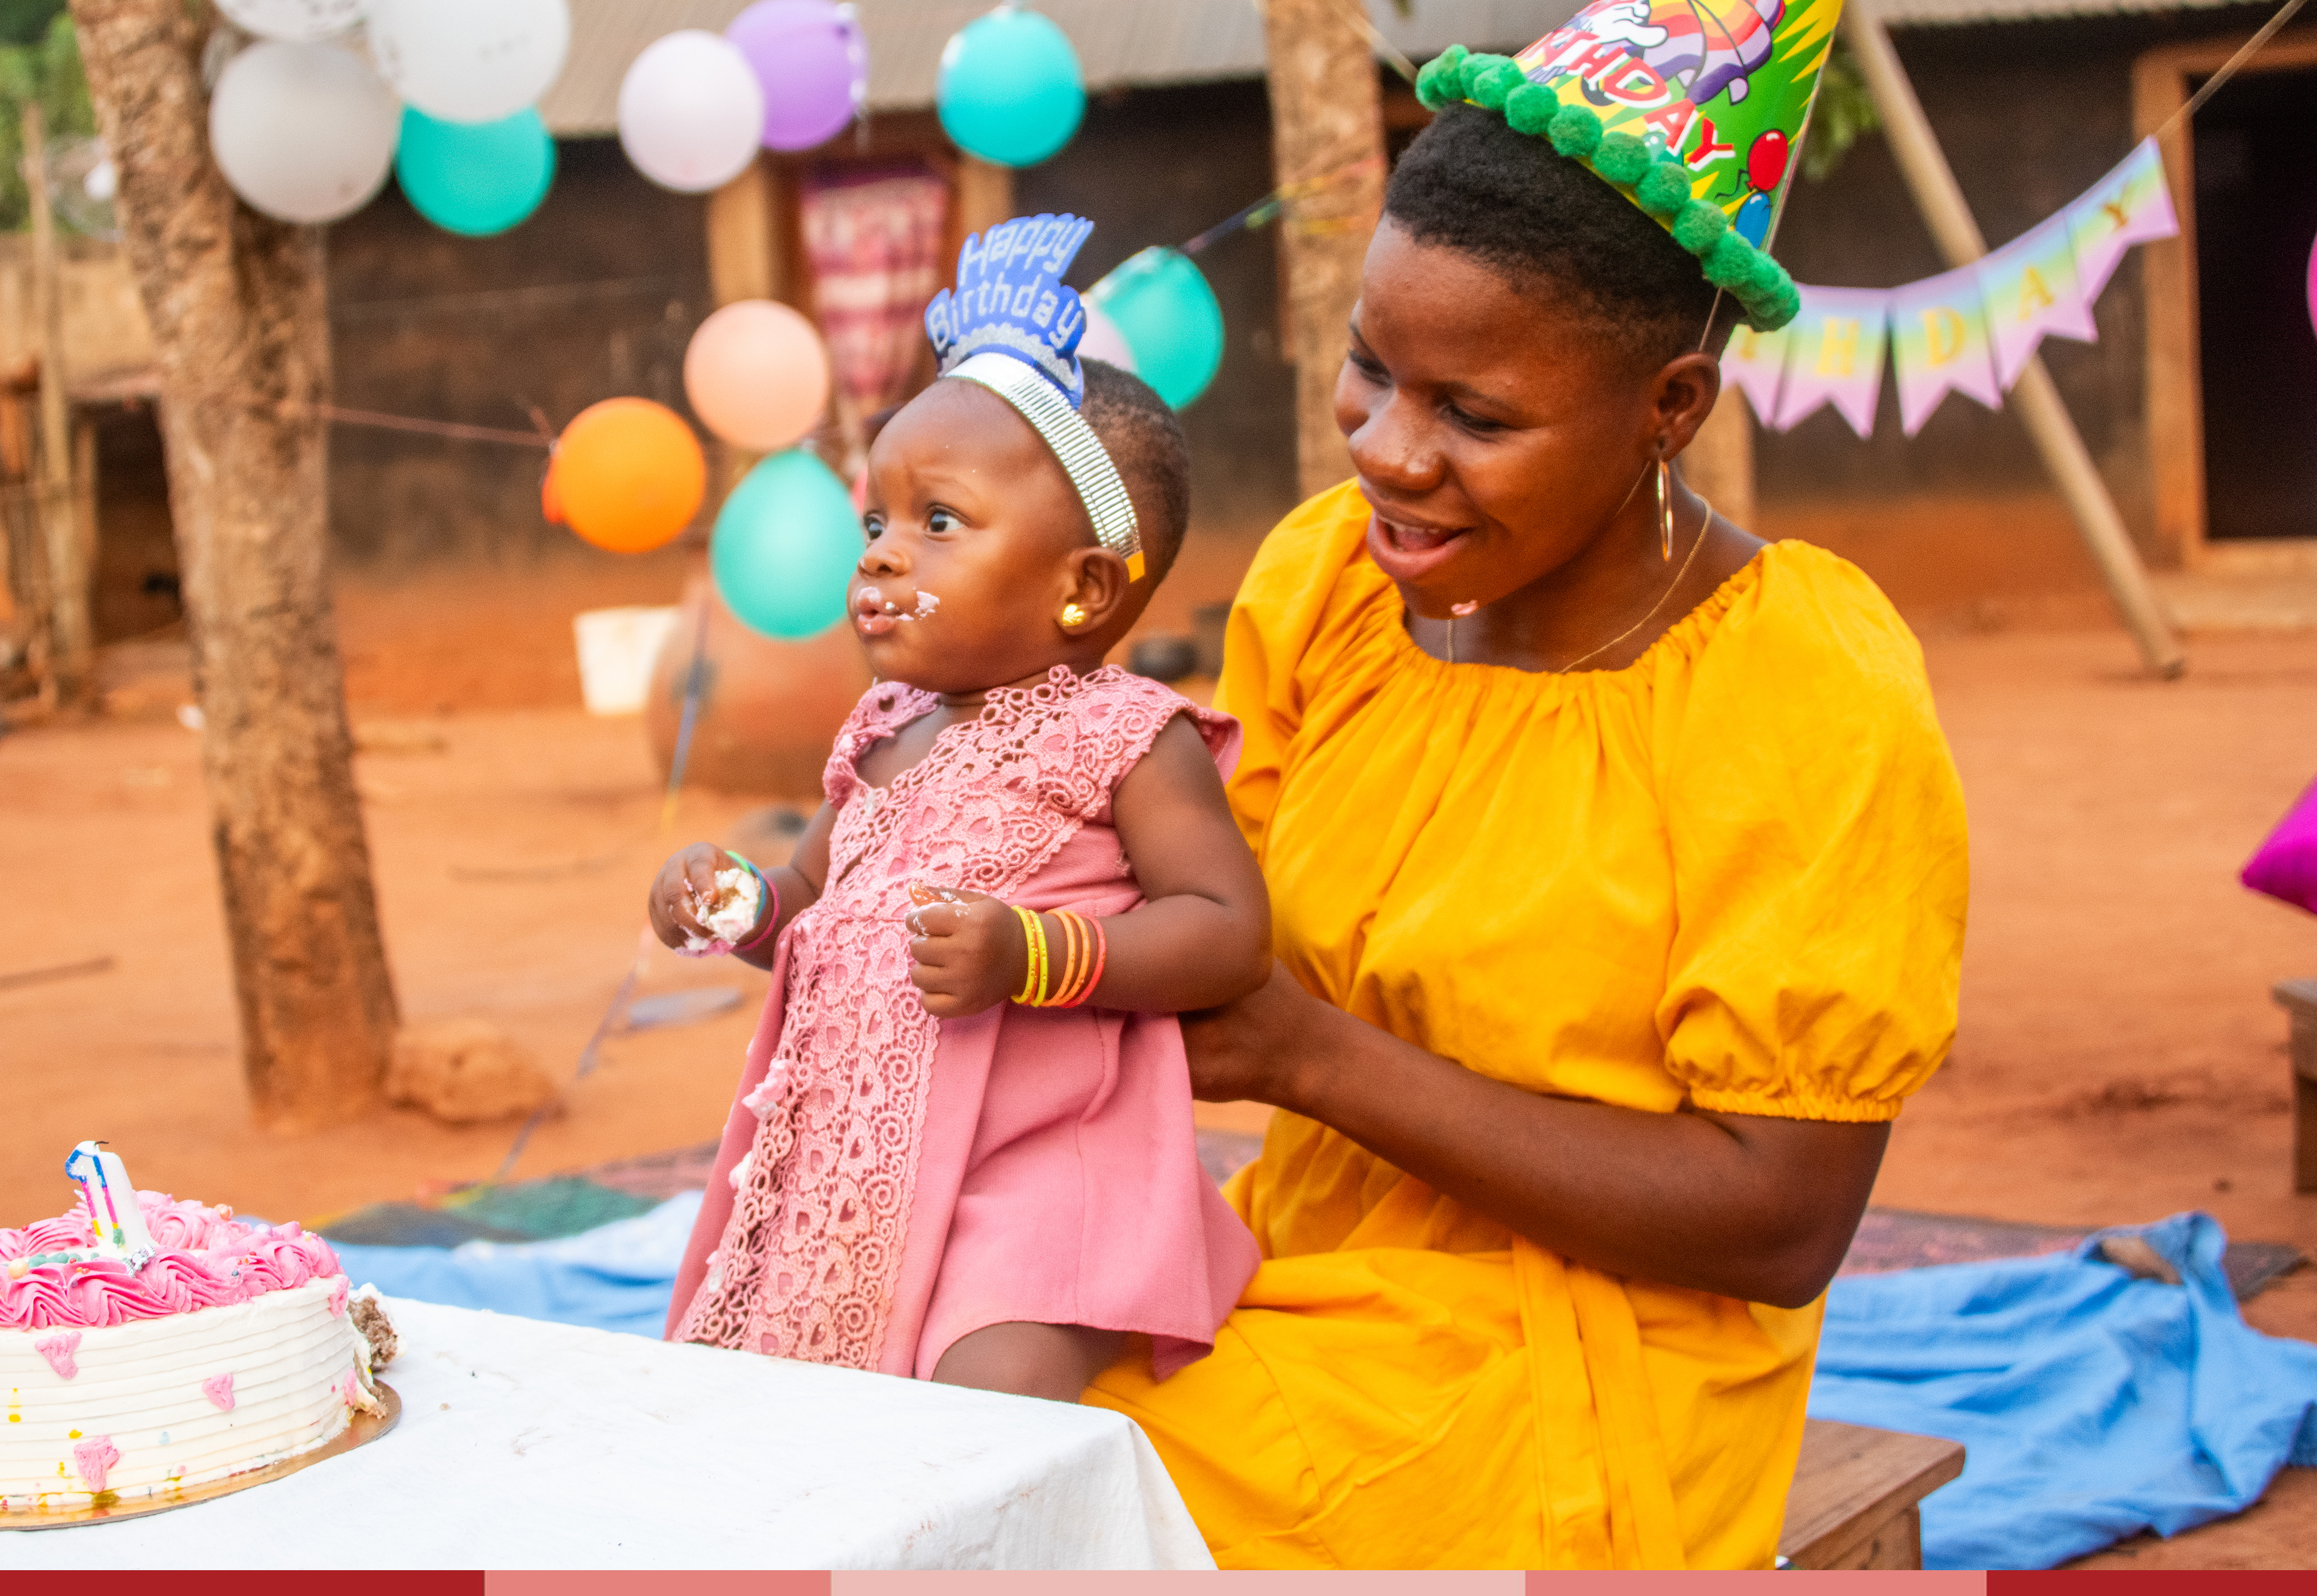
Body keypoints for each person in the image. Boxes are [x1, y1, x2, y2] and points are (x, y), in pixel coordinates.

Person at [1081, 25, 1972, 1571]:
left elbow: (1779, 1221)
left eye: (1475, 418)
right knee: (920, 1390)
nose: (1388, 452)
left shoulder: (1798, 688)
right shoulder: (1328, 588)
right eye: (1373, 368)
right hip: (1297, 1273)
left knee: (1072, 1496)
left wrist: (1310, 1054)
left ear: (1670, 403)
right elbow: (1197, 905)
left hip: (1595, 1365)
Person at [652, 216, 1268, 1402]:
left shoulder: (1129, 736)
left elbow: (1227, 927)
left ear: (1082, 586)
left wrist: (1037, 950)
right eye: (875, 520)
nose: (882, 556)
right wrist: (733, 901)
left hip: (1040, 1172)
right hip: (865, 1157)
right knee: (783, 1405)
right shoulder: (882, 735)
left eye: (938, 523)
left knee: (984, 1404)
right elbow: (813, 912)